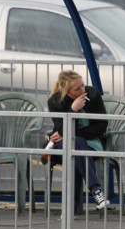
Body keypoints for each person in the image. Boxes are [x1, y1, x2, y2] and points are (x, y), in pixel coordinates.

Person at [44, 70, 110, 210]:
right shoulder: (55, 101)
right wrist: (72, 110)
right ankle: (96, 191)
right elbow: (61, 131)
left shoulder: (93, 94)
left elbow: (102, 126)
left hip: (89, 141)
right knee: (75, 145)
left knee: (75, 147)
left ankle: (70, 209)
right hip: (61, 143)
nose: (82, 90)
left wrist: (74, 133)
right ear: (67, 91)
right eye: (77, 89)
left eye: (83, 85)